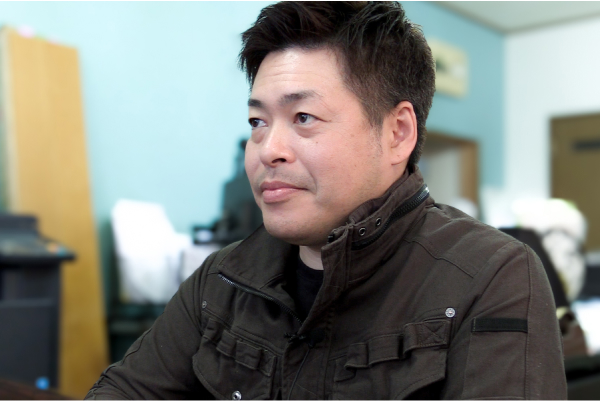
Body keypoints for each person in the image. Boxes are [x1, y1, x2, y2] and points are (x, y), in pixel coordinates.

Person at [86, 2, 567, 399]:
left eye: (304, 117)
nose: (268, 150)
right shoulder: (223, 279)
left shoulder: (491, 275)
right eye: (257, 122)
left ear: (397, 133)